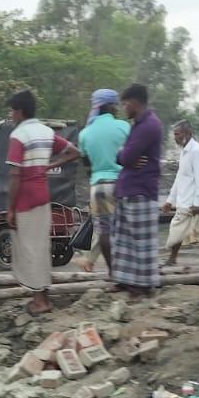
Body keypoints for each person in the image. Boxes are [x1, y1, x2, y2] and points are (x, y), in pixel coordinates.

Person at [3, 89, 82, 316]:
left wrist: (10, 208)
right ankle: (43, 296)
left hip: (26, 198)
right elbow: (74, 152)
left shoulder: (18, 135)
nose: (11, 114)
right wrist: (49, 165)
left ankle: (40, 302)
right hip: (43, 195)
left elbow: (15, 174)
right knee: (40, 247)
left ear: (19, 111)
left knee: (30, 249)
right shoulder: (46, 132)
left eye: (12, 110)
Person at [111, 84, 165, 297]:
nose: (124, 108)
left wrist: (124, 155)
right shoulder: (140, 124)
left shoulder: (149, 125)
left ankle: (142, 284)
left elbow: (126, 157)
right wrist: (124, 155)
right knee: (124, 238)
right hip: (129, 189)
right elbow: (125, 157)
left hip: (141, 189)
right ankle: (125, 280)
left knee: (140, 241)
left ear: (134, 103)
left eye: (125, 104)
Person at [76, 88, 128, 272]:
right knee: (124, 230)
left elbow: (87, 165)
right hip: (122, 183)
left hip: (98, 185)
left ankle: (112, 271)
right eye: (115, 105)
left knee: (104, 231)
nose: (117, 109)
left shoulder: (85, 134)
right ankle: (126, 271)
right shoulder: (123, 127)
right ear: (109, 106)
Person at [163, 120, 199, 266]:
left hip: (192, 202)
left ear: (187, 133)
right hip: (184, 200)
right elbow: (180, 177)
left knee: (177, 228)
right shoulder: (185, 152)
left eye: (177, 134)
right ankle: (172, 258)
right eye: (174, 135)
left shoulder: (196, 151)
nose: (175, 138)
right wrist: (170, 200)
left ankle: (172, 258)